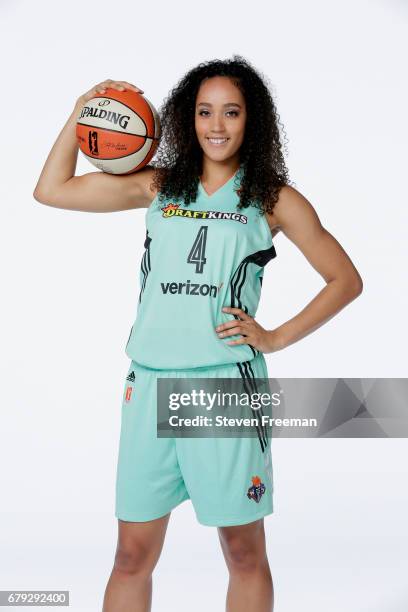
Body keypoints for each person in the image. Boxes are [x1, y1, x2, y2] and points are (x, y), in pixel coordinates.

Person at [33, 55, 363, 612]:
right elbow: (52, 190)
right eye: (204, 112)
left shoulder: (273, 199)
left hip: (223, 386)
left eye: (231, 113)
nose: (216, 125)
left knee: (241, 551)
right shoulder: (159, 187)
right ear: (187, 120)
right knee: (130, 557)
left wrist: (276, 337)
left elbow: (345, 280)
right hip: (149, 383)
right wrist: (80, 114)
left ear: (250, 121)